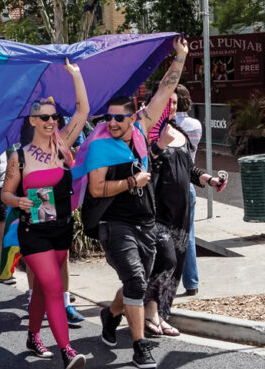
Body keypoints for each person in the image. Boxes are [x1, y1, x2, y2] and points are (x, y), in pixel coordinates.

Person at [82, 36, 188, 369]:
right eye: (108, 118)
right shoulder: (100, 146)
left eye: (118, 119)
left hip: (146, 222)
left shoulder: (141, 131)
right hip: (114, 225)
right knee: (138, 282)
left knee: (140, 280)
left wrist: (180, 57)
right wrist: (131, 181)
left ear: (133, 118)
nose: (111, 123)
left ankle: (111, 314)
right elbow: (97, 190)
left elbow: (164, 92)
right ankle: (141, 346)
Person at [1, 59, 89, 369]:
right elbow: (6, 193)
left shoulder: (62, 145)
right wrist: (19, 202)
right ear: (34, 121)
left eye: (54, 117)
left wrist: (76, 76)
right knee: (53, 286)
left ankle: (33, 334)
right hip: (33, 232)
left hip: (61, 228)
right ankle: (67, 350)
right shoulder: (20, 157)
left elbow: (82, 112)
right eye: (45, 118)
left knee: (41, 286)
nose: (52, 121)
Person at [143, 91, 226, 338]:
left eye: (175, 103)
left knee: (175, 266)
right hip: (158, 212)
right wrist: (159, 145)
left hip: (182, 212)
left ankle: (162, 315)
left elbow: (188, 168)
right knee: (165, 260)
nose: (171, 107)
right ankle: (149, 312)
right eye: (167, 101)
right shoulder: (148, 134)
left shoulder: (178, 132)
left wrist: (209, 180)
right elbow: (146, 164)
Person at [174, 84, 202, 296]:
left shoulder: (165, 125)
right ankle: (191, 282)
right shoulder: (195, 125)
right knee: (189, 234)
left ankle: (168, 281)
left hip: (169, 184)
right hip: (188, 183)